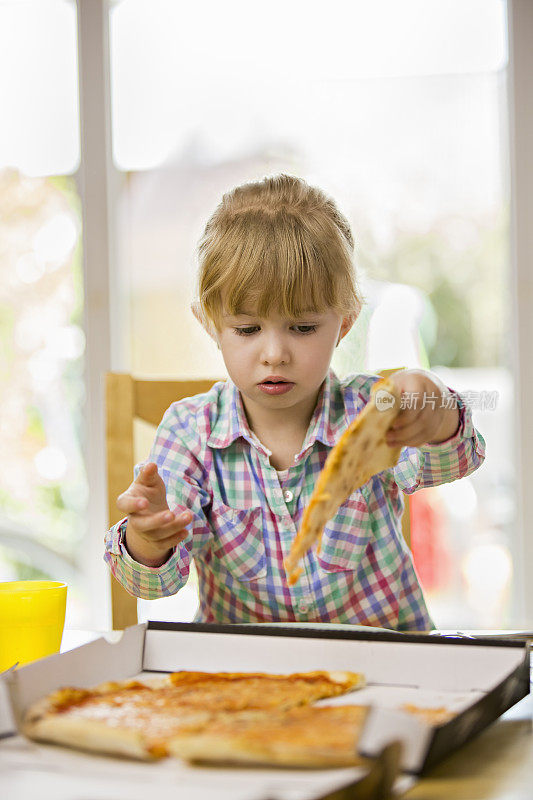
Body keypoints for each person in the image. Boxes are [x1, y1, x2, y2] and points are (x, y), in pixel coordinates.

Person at [104, 174, 485, 631]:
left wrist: (435, 405)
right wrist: (148, 539)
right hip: (246, 678)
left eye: (302, 328)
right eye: (247, 330)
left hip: (389, 670)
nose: (274, 354)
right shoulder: (190, 433)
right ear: (209, 324)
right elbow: (155, 584)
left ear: (344, 323)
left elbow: (459, 458)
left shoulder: (374, 412)